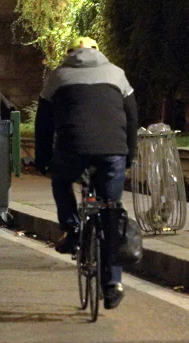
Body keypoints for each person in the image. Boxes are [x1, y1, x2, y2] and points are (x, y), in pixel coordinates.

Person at [35, 37, 138, 310]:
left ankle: (72, 230)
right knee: (111, 211)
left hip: (72, 150)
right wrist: (130, 157)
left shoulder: (58, 76)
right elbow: (132, 118)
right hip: (112, 152)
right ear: (98, 52)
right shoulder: (117, 73)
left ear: (69, 54)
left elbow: (43, 123)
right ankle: (113, 283)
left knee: (61, 182)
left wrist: (43, 161)